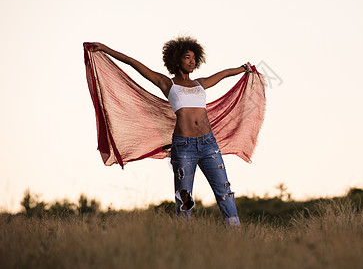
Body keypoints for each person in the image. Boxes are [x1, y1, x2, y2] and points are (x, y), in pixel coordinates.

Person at [89, 36, 252, 226]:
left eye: (194, 58)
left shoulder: (200, 83)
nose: (192, 62)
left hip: (209, 144)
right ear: (176, 60)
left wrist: (243, 68)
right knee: (184, 198)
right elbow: (133, 63)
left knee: (224, 191)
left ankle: (235, 232)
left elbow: (223, 74)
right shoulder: (167, 83)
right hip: (184, 147)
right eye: (187, 58)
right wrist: (105, 49)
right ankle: (183, 238)